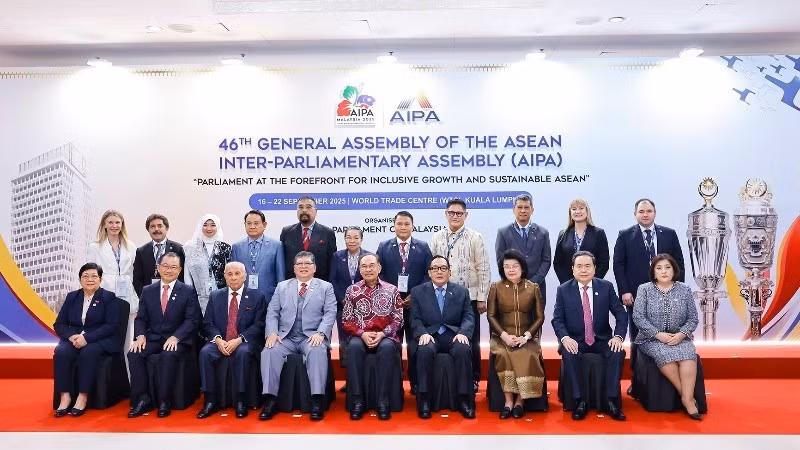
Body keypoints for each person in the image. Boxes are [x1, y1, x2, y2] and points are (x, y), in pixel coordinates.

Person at [613, 198, 685, 394]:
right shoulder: (625, 235)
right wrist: (624, 291)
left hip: (666, 295)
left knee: (666, 334)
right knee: (638, 338)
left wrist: (677, 289)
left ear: (655, 213)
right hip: (636, 297)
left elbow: (678, 262)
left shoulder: (669, 234)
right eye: (641, 211)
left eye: (649, 211)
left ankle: (666, 379)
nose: (645, 214)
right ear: (635, 214)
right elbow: (618, 264)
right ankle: (637, 382)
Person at [259, 252, 336, 421]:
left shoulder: (325, 287)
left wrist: (321, 333)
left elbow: (330, 312)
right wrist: (272, 333)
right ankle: (270, 400)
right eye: (299, 263)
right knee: (269, 351)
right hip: (286, 337)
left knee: (317, 351)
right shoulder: (282, 286)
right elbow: (272, 312)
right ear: (293, 268)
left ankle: (317, 400)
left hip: (311, 337)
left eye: (307, 263)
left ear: (314, 267)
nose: (303, 266)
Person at [552, 251, 628, 421]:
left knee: (617, 352)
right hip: (576, 340)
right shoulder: (563, 290)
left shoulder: (606, 287)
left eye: (588, 266)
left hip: (601, 339)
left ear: (595, 269)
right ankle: (580, 401)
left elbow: (621, 314)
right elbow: (557, 319)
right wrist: (565, 338)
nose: (584, 270)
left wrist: (618, 337)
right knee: (568, 352)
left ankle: (611, 401)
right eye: (579, 266)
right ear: (573, 269)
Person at [127, 252, 201, 419]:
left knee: (167, 356)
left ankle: (164, 401)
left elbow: (191, 320)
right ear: (158, 268)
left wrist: (176, 337)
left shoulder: (188, 291)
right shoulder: (148, 290)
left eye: (174, 267)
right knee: (134, 353)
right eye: (165, 266)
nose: (169, 270)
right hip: (153, 338)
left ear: (180, 270)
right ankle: (142, 398)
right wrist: (140, 336)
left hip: (177, 340)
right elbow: (141, 318)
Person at [430, 199, 490, 392]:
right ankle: (450, 377)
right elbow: (431, 267)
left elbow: (483, 268)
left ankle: (473, 378)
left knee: (470, 338)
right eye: (451, 213)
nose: (455, 216)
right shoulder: (437, 237)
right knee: (448, 337)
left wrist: (482, 296)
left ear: (466, 215)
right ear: (446, 214)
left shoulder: (475, 237)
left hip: (469, 297)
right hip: (442, 296)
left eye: (459, 213)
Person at [633, 254, 702, 420]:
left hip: (680, 337)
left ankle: (686, 398)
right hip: (651, 338)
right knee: (667, 356)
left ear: (674, 270)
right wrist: (658, 334)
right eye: (659, 268)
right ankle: (687, 398)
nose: (663, 271)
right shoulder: (644, 289)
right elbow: (638, 317)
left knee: (688, 357)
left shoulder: (684, 289)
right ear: (653, 272)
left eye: (667, 267)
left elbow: (693, 318)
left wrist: (681, 335)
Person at [196, 262, 266, 419]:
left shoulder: (257, 296)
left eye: (237, 274)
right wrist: (218, 340)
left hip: (245, 342)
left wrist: (239, 340)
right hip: (221, 340)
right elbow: (208, 322)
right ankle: (210, 400)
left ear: (245, 276)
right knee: (206, 352)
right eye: (230, 274)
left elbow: (259, 324)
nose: (234, 277)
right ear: (225, 276)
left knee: (243, 352)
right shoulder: (216, 296)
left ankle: (241, 399)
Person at [410, 255, 475, 419]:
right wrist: (423, 333)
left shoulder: (462, 291)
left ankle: (464, 399)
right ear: (429, 272)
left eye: (443, 268)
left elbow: (468, 316)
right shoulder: (417, 292)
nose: (439, 272)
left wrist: (463, 333)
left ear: (450, 272)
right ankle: (424, 399)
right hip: (430, 335)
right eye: (435, 268)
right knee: (424, 351)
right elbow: (415, 319)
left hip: (454, 335)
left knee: (463, 350)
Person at [53, 263, 121, 417]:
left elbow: (112, 325)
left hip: (100, 338)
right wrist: (71, 337)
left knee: (88, 352)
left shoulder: (108, 297)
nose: (89, 279)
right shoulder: (72, 297)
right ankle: (65, 397)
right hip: (74, 337)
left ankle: (83, 397)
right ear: (80, 279)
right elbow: (59, 323)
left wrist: (87, 338)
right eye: (85, 276)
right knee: (61, 351)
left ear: (100, 279)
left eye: (94, 276)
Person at [342, 253, 404, 420]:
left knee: (386, 349)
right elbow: (346, 320)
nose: (368, 269)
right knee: (354, 348)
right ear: (359, 269)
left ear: (379, 268)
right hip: (360, 336)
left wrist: (383, 334)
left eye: (371, 265)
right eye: (364, 266)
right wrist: (362, 334)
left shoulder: (392, 290)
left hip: (386, 336)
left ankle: (383, 400)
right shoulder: (352, 290)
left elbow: (399, 319)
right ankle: (357, 400)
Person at [376, 211, 433, 395]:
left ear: (412, 226)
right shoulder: (384, 247)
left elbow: (428, 273)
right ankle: (395, 383)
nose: (402, 227)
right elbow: (380, 273)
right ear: (394, 226)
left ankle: (416, 383)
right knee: (393, 344)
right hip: (391, 305)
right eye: (399, 223)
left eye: (406, 224)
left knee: (415, 345)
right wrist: (392, 295)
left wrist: (414, 295)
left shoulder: (423, 247)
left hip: (415, 304)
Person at [487, 250, 545, 419]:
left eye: (515, 266)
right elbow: (491, 315)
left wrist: (526, 336)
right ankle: (508, 402)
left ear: (522, 267)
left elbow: (540, 317)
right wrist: (504, 335)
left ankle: (520, 401)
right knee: (504, 355)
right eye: (507, 267)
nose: (511, 270)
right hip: (502, 337)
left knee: (528, 355)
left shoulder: (533, 287)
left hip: (526, 337)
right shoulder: (496, 287)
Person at [87, 210, 138, 357]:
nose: (114, 225)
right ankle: (106, 376)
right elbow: (91, 275)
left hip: (127, 292)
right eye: (110, 222)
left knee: (128, 335)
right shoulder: (95, 247)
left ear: (122, 225)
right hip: (105, 292)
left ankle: (127, 377)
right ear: (104, 225)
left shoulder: (131, 246)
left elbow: (134, 273)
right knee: (106, 333)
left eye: (117, 222)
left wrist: (135, 300)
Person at [328, 226, 369, 390]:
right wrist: (342, 299)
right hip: (343, 306)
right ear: (344, 239)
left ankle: (364, 377)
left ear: (361, 239)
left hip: (364, 307)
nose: (352, 240)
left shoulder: (368, 257)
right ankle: (349, 380)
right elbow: (333, 280)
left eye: (355, 237)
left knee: (362, 341)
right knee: (345, 342)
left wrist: (358, 299)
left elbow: (371, 279)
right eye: (349, 237)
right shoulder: (337, 256)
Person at [494, 194, 551, 306]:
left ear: (532, 210)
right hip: (511, 287)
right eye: (519, 207)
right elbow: (501, 260)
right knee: (512, 321)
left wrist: (532, 283)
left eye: (526, 207)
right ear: (513, 210)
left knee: (536, 321)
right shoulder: (503, 232)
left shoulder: (543, 232)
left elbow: (546, 260)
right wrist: (514, 281)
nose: (523, 210)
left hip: (537, 286)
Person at [231, 210, 285, 304]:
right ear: (245, 225)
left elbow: (280, 276)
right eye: (249, 223)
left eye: (256, 223)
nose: (252, 226)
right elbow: (234, 276)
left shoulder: (277, 246)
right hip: (244, 298)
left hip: (269, 298)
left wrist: (280, 299)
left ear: (264, 225)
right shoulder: (237, 247)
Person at [553, 199, 610, 284]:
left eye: (581, 208)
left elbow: (604, 262)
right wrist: (568, 283)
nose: (577, 211)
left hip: (592, 284)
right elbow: (558, 263)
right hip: (568, 285)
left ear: (587, 211)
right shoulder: (563, 234)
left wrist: (592, 281)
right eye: (574, 209)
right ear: (570, 212)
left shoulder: (598, 233)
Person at [280, 196, 337, 281]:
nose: (304, 210)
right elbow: (281, 262)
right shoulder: (287, 232)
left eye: (308, 207)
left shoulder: (327, 233)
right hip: (292, 285)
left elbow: (332, 264)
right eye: (300, 207)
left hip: (319, 285)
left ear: (316, 211)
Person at [184, 214, 232, 314]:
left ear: (217, 226)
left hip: (221, 296)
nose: (209, 228)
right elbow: (187, 273)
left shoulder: (225, 248)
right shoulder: (191, 247)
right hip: (198, 294)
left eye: (213, 225)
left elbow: (229, 273)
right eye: (205, 225)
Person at [132, 214, 185, 297]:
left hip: (174, 297)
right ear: (148, 230)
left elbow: (182, 276)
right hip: (150, 297)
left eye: (160, 226)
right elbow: (137, 279)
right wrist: (145, 297)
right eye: (152, 226)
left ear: (166, 228)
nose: (156, 229)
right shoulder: (141, 251)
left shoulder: (179, 249)